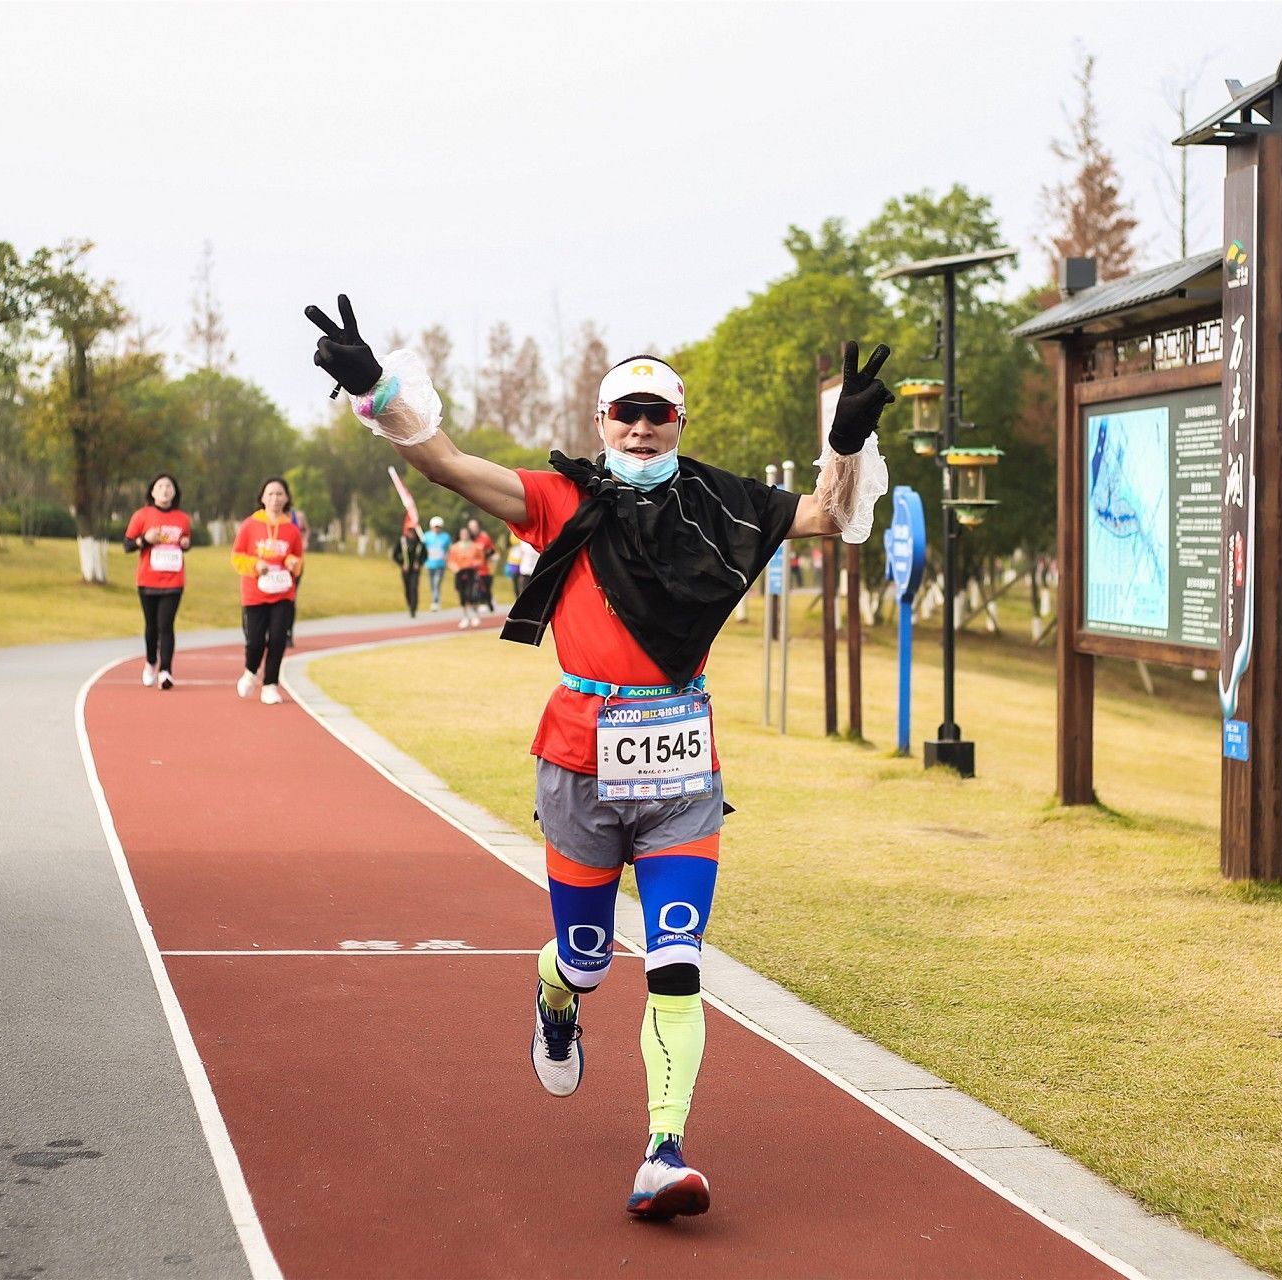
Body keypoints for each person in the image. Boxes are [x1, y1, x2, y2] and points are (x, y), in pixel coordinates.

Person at [306, 296, 892, 1219]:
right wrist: (376, 388)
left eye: (660, 413)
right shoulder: (560, 501)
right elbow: (449, 465)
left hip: (681, 769)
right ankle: (557, 995)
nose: (644, 427)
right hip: (580, 756)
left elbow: (829, 515)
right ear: (600, 421)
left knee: (675, 960)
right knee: (585, 958)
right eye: (628, 411)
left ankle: (663, 1151)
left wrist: (847, 438)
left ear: (681, 423)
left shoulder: (724, 504)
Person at [230, 477, 304, 706]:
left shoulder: (292, 530)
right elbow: (236, 556)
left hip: (283, 594)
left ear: (287, 498)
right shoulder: (249, 525)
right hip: (255, 594)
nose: (275, 498)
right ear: (262, 497)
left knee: (278, 639)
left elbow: (298, 559)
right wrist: (255, 565)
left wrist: (292, 562)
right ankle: (251, 671)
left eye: (279, 494)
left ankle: (270, 684)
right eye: (270, 494)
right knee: (254, 641)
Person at [124, 472, 192, 689]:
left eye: (169, 486)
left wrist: (185, 543)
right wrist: (144, 539)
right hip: (147, 580)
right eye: (160, 486)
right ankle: (151, 662)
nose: (165, 490)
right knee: (151, 626)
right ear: (152, 491)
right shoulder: (142, 516)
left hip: (173, 581)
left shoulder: (182, 518)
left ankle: (166, 671)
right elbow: (127, 545)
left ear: (175, 492)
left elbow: (187, 542)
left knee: (166, 625)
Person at [445, 524, 486, 629]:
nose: (464, 535)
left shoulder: (475, 546)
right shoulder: (454, 547)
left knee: (471, 594)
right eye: (462, 533)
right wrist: (454, 568)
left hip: (471, 573)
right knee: (462, 595)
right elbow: (450, 561)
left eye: (466, 533)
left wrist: (476, 563)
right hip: (460, 573)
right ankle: (465, 617)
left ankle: (474, 615)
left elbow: (481, 559)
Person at [392, 518, 426, 618]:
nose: (411, 532)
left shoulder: (420, 543)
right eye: (409, 530)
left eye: (413, 530)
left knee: (414, 588)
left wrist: (419, 563)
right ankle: (409, 604)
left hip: (415, 571)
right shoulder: (402, 541)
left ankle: (413, 609)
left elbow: (425, 556)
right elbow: (395, 555)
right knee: (407, 589)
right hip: (406, 570)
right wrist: (402, 564)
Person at [466, 518, 498, 613]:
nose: (473, 529)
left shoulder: (484, 538)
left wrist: (486, 556)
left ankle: (489, 601)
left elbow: (492, 551)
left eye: (474, 526)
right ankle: (478, 603)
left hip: (484, 567)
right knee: (473, 586)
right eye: (471, 527)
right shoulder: (467, 539)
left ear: (478, 527)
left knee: (485, 587)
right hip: (471, 568)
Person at [421, 515, 451, 611]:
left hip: (440, 564)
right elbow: (422, 549)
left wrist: (447, 557)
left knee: (437, 583)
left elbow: (450, 549)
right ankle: (435, 600)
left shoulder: (445, 537)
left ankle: (435, 602)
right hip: (429, 564)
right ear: (432, 526)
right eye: (435, 526)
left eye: (438, 527)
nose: (437, 528)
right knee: (432, 584)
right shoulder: (426, 536)